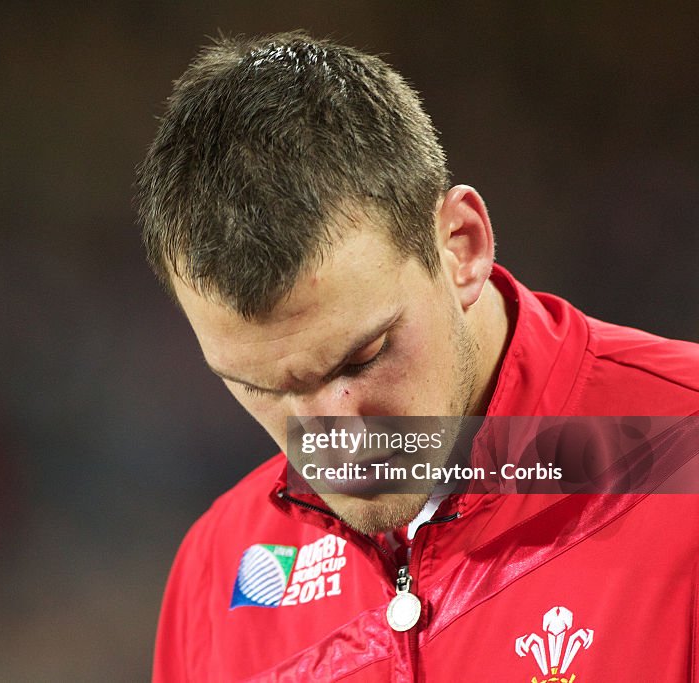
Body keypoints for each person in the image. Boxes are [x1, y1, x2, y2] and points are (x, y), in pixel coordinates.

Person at [137, 32, 699, 681]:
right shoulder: (216, 574)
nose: (331, 437)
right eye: (261, 386)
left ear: (461, 246)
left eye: (361, 358)